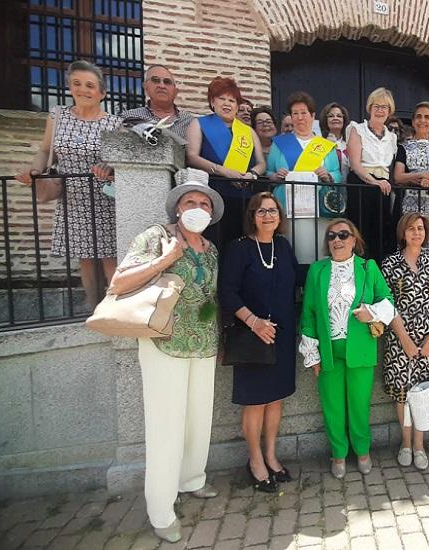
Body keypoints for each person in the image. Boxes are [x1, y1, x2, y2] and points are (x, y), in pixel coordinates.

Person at [107, 179, 223, 543]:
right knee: (165, 426)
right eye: (191, 201)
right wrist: (166, 259)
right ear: (177, 207)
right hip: (164, 341)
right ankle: (161, 510)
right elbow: (119, 283)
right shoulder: (155, 237)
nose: (198, 208)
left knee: (197, 419)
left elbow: (210, 296)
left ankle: (192, 480)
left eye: (204, 204)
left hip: (202, 343)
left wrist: (217, 337)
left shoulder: (210, 248)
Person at [16, 60, 120, 308]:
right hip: (72, 197)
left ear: (102, 92)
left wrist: (110, 167)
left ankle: (115, 309)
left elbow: (118, 162)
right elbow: (45, 151)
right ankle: (93, 307)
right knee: (85, 257)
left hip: (103, 196)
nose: (84, 89)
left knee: (109, 258)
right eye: (77, 84)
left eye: (90, 85)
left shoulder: (113, 123)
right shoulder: (58, 116)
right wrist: (34, 169)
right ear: (70, 88)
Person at [299, 219, 395, 478]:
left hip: (360, 349)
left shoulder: (368, 267)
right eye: (332, 236)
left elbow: (388, 300)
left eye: (344, 234)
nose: (337, 240)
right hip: (329, 351)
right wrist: (312, 353)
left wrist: (371, 313)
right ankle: (338, 453)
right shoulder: (317, 270)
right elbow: (308, 314)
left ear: (354, 240)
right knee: (332, 405)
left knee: (359, 404)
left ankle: (362, 450)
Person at [219, 193, 301, 493]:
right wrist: (254, 322)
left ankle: (270, 455)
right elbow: (227, 293)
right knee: (255, 403)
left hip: (281, 335)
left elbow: (297, 281)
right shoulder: (238, 249)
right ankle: (254, 460)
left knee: (275, 398)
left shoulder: (282, 245)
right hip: (253, 337)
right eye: (262, 211)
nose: (268, 215)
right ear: (252, 215)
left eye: (273, 210)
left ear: (280, 216)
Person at [381, 213, 429, 470]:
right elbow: (386, 303)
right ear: (403, 233)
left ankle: (420, 445)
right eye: (411, 228)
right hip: (401, 338)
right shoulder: (390, 264)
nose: (416, 233)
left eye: (420, 228)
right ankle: (405, 443)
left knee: (423, 392)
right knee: (403, 394)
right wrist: (405, 340)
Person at [185, 77, 266, 253]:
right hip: (213, 196)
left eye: (232, 100)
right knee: (215, 245)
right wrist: (225, 172)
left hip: (244, 198)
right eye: (222, 99)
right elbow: (192, 156)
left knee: (244, 247)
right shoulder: (199, 124)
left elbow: (261, 163)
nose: (227, 104)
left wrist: (251, 175)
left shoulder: (247, 131)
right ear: (212, 101)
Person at [267, 91, 345, 264]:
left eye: (304, 113)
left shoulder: (326, 146)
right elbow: (268, 173)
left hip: (318, 208)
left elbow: (338, 175)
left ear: (312, 116)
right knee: (291, 254)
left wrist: (328, 175)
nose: (300, 117)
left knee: (317, 254)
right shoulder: (279, 143)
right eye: (295, 113)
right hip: (288, 207)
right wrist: (276, 175)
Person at [393, 102, 429, 255]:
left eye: (427, 117)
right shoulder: (403, 147)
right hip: (409, 202)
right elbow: (398, 176)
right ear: (413, 121)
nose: (422, 120)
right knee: (408, 242)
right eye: (418, 117)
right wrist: (421, 176)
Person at [347, 87, 398, 259]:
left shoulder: (392, 137)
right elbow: (355, 164)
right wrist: (374, 182)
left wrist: (381, 183)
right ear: (370, 107)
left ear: (389, 111)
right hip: (362, 184)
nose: (380, 110)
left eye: (384, 107)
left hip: (382, 188)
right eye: (376, 105)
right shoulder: (357, 129)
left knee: (380, 235)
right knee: (361, 232)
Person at [120, 64, 194, 139]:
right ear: (145, 87)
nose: (162, 86)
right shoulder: (129, 118)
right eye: (155, 80)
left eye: (167, 82)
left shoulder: (190, 122)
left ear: (175, 91)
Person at [320, 102, 351, 180]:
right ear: (325, 120)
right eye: (331, 116)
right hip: (329, 188)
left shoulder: (350, 143)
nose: (335, 118)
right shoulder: (319, 144)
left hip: (350, 188)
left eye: (339, 116)